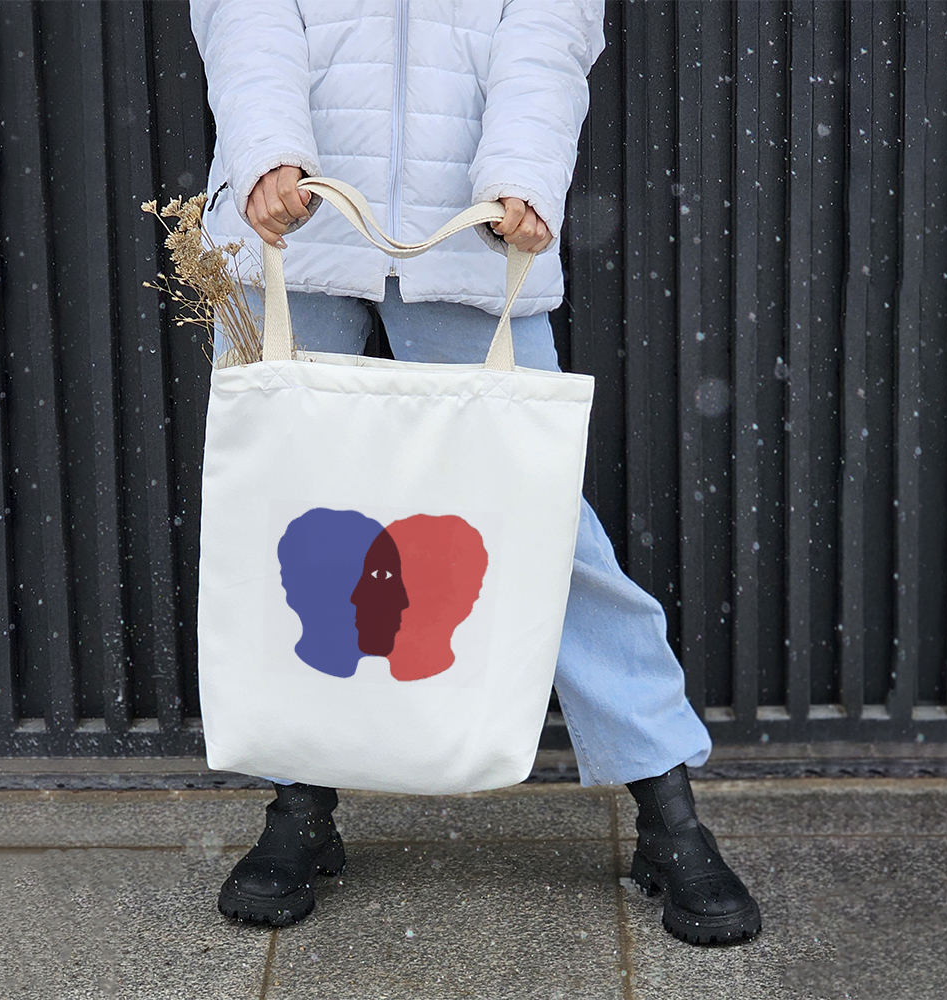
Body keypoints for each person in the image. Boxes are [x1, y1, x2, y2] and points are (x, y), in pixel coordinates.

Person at [190, 0, 761, 946]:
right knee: (289, 531)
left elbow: (548, 27)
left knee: (544, 529)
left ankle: (668, 812)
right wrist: (266, 153)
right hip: (291, 228)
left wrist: (523, 174)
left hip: (470, 232)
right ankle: (298, 803)